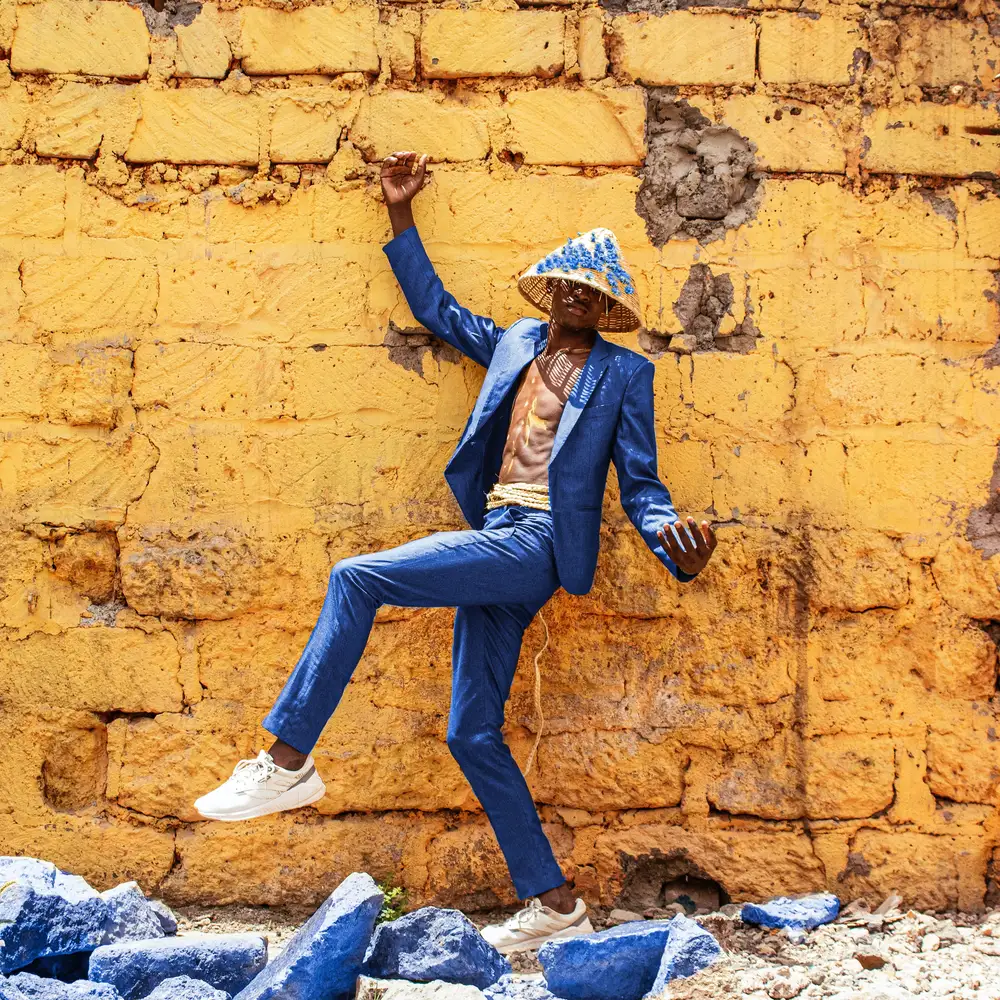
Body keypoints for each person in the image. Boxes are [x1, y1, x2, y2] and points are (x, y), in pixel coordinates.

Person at [194, 151, 718, 952]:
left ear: (607, 306)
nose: (579, 296)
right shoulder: (511, 345)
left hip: (542, 543)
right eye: (569, 283)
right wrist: (400, 214)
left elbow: (642, 488)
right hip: (493, 534)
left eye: (595, 291)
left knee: (357, 577)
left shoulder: (624, 376)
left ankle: (288, 757)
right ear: (551, 287)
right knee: (472, 733)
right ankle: (555, 903)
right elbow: (438, 311)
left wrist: (679, 545)